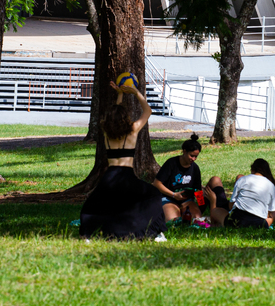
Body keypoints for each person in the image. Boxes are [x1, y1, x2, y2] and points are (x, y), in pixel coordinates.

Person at [79, 78, 167, 241]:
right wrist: (136, 93)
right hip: (126, 177)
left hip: (110, 177)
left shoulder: (107, 134)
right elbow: (147, 111)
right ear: (125, 117)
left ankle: (88, 234)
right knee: (153, 194)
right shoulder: (132, 130)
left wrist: (119, 94)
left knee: (92, 204)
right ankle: (156, 232)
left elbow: (115, 112)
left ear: (109, 119)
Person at [204, 158, 275, 229]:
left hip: (236, 221)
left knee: (216, 211)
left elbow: (231, 206)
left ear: (252, 169)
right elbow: (272, 211)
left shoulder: (243, 180)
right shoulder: (271, 185)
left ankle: (217, 223)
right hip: (258, 223)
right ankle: (265, 225)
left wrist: (213, 201)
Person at [154, 133, 203, 224]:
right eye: (191, 155)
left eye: (196, 156)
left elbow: (198, 190)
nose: (193, 159)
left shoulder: (195, 168)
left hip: (187, 200)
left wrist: (201, 206)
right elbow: (157, 183)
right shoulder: (171, 163)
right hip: (169, 198)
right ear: (184, 151)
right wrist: (173, 194)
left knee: (197, 219)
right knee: (172, 222)